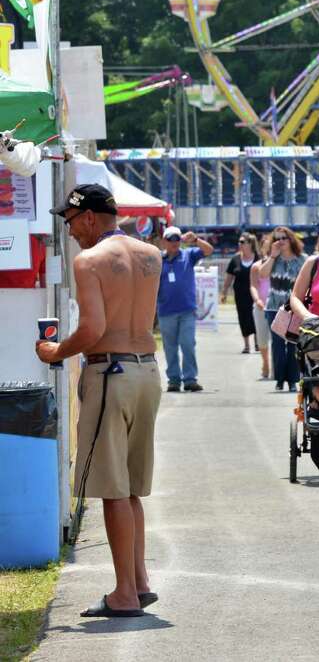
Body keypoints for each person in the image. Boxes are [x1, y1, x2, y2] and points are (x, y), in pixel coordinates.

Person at [37, 184, 163, 618]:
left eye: (70, 222)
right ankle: (139, 582)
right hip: (147, 370)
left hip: (111, 372)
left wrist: (56, 352)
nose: (70, 232)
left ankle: (125, 594)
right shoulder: (151, 254)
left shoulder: (89, 261)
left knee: (112, 490)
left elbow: (92, 328)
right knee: (130, 489)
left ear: (88, 217)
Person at [157, 224, 213, 392]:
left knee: (187, 343)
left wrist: (195, 240)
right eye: (170, 239)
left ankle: (190, 379)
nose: (174, 242)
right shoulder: (158, 259)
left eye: (177, 238)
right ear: (164, 242)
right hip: (166, 311)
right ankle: (173, 380)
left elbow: (209, 250)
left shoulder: (188, 255)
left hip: (187, 310)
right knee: (170, 347)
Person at [259, 226, 304, 392]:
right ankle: (279, 380)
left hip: (294, 307)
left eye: (284, 238)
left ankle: (293, 380)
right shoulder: (273, 259)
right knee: (277, 345)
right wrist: (272, 256)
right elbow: (262, 275)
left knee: (293, 344)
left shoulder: (302, 259)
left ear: (291, 239)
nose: (281, 241)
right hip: (274, 307)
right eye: (277, 238)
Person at [221, 232, 259, 354]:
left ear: (250, 244)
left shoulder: (259, 258)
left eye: (242, 242)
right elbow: (229, 277)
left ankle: (258, 343)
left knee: (257, 317)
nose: (239, 244)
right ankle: (247, 345)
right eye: (239, 242)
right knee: (243, 318)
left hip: (257, 295)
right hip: (240, 295)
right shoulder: (235, 259)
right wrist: (224, 292)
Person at [249, 236, 273, 380]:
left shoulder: (281, 266)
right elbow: (253, 285)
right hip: (261, 306)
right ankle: (265, 362)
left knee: (276, 340)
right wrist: (257, 299)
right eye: (266, 247)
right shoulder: (256, 266)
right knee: (262, 339)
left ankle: (277, 367)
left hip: (277, 307)